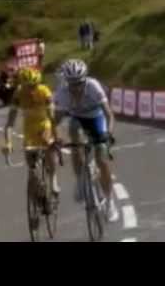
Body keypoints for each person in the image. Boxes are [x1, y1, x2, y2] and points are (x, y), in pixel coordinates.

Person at [53, 60, 119, 223]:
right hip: (77, 119)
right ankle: (80, 179)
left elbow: (109, 115)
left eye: (79, 83)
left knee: (102, 159)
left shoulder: (93, 86)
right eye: (72, 84)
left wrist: (108, 135)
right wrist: (56, 136)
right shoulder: (62, 92)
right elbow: (55, 120)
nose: (75, 88)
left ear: (85, 80)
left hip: (97, 117)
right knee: (75, 140)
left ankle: (109, 202)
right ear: (66, 82)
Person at [2, 67, 61, 198]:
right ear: (22, 85)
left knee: (48, 145)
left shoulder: (44, 91)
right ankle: (35, 187)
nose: (31, 89)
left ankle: (53, 178)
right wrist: (8, 142)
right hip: (29, 129)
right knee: (31, 165)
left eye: (34, 85)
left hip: (44, 124)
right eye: (27, 86)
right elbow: (9, 123)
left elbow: (52, 118)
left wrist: (55, 137)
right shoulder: (18, 94)